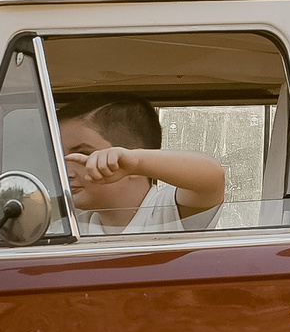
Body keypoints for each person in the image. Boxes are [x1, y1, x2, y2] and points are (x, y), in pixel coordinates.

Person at [61, 99, 227, 236]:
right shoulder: (73, 224)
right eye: (61, 157)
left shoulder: (166, 211)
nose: (66, 172)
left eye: (84, 154)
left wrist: (137, 162)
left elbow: (212, 176)